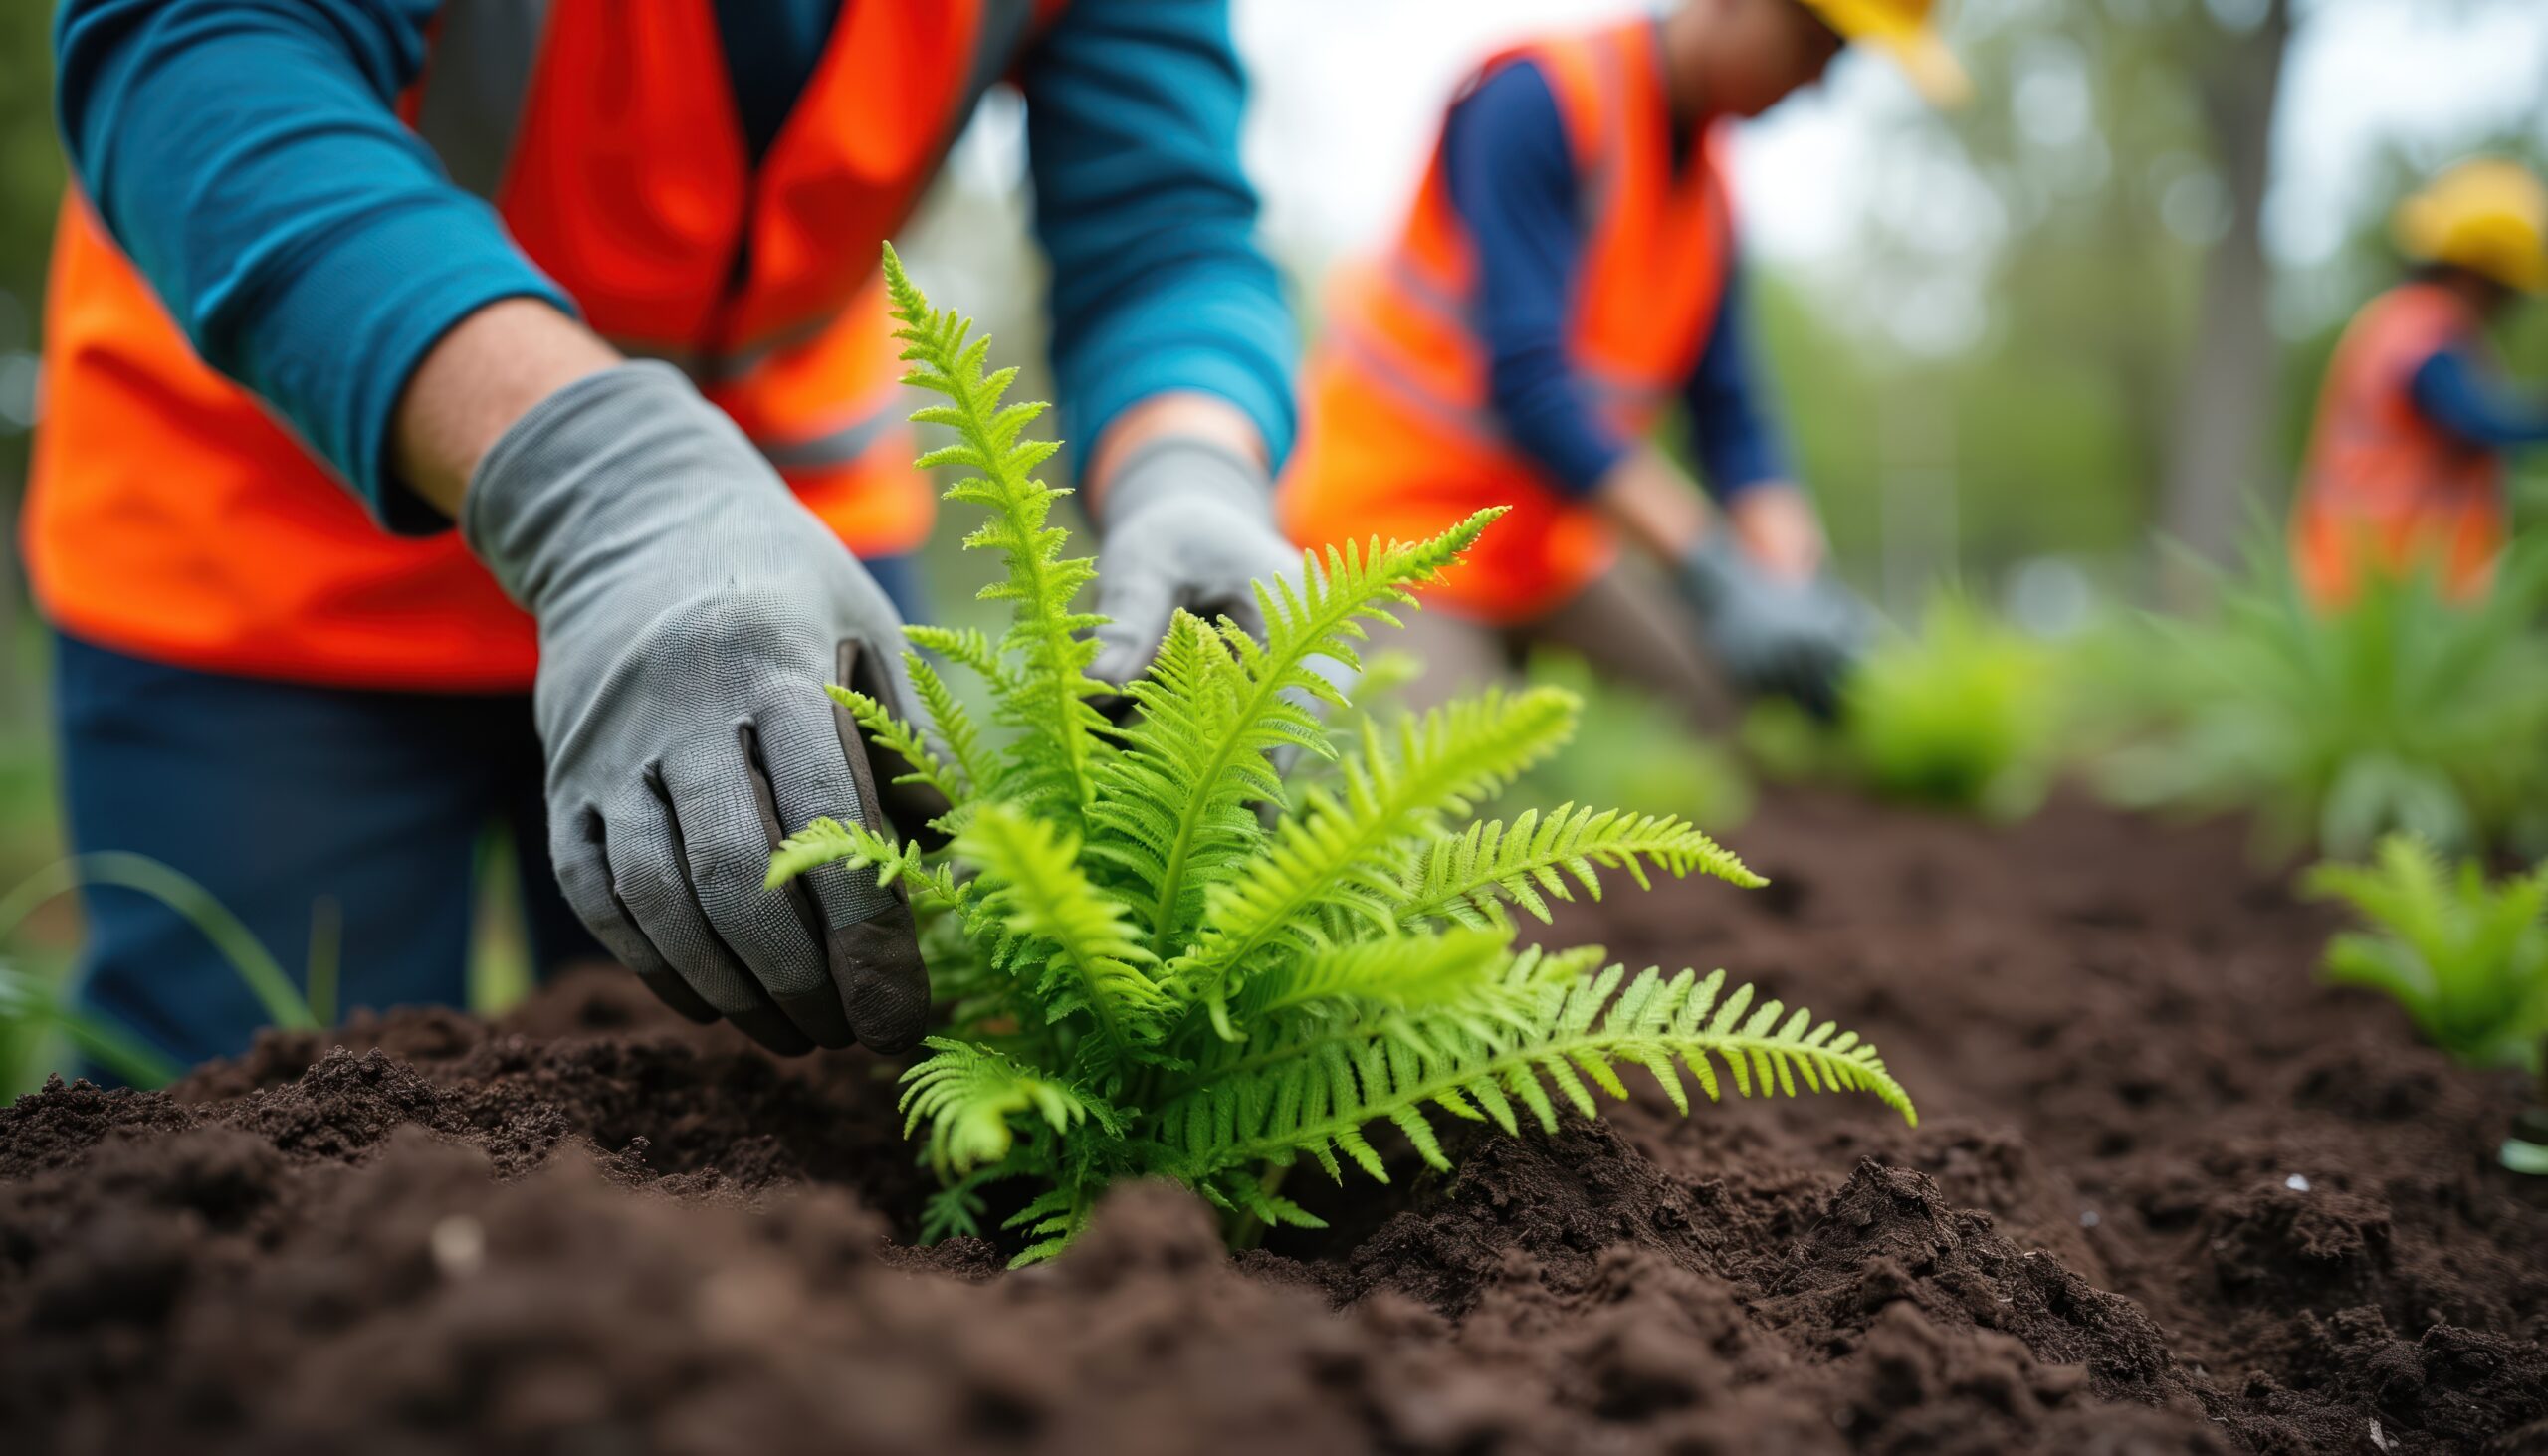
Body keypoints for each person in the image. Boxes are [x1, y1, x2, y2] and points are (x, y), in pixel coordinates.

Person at [31, 0, 1300, 1071]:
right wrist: (596, 480)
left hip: (780, 570)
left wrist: (1193, 465)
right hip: (276, 521)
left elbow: (1162, 224)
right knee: (255, 1137)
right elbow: (202, 47)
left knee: (796, 1128)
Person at [1281, 0, 1963, 723]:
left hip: (1540, 552)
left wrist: (1798, 585)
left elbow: (1729, 412)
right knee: (1438, 785)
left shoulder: (1710, 202)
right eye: (1814, 47)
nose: (1815, 84)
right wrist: (1717, 570)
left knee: (1721, 711)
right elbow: (1532, 390)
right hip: (1395, 533)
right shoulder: (1539, 98)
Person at [2290, 158, 2548, 609]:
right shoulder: (2422, 327)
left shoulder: (2398, 323)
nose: (2507, 308)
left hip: (2370, 586)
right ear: (2478, 273)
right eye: (2507, 291)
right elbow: (2475, 419)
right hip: (2381, 591)